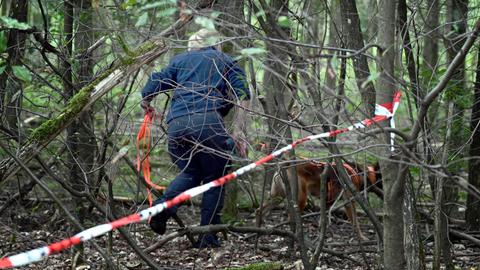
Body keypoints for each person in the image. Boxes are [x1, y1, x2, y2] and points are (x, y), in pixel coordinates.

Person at [140, 29, 250, 248]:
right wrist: (238, 130)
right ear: (214, 44)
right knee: (214, 178)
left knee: (191, 172)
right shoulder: (224, 60)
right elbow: (243, 95)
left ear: (193, 46)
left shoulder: (179, 61)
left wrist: (147, 101)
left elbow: (153, 84)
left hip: (177, 125)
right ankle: (207, 238)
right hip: (208, 123)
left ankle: (160, 211)